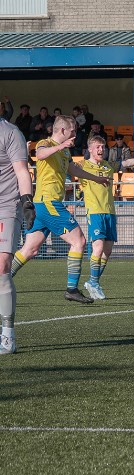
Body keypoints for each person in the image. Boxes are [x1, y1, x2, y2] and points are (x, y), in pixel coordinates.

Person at [8, 115, 112, 304]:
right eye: (73, 131)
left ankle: (3, 278)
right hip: (49, 203)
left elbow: (74, 170)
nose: (75, 134)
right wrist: (60, 146)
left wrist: (97, 179)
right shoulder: (45, 143)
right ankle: (71, 289)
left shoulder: (65, 151)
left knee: (30, 249)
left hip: (44, 205)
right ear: (63, 130)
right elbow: (40, 155)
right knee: (79, 241)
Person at [78, 135, 134, 300]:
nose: (101, 150)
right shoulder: (82, 166)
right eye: (98, 147)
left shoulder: (108, 165)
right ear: (90, 149)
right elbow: (65, 169)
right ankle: (93, 282)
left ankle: (93, 282)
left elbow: (126, 163)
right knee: (98, 247)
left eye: (103, 147)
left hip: (110, 212)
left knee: (107, 251)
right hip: (95, 211)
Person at [0, 113, 36, 354]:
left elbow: (22, 171)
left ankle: (7, 334)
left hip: (6, 205)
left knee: (2, 265)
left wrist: (27, 202)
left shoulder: (11, 132)